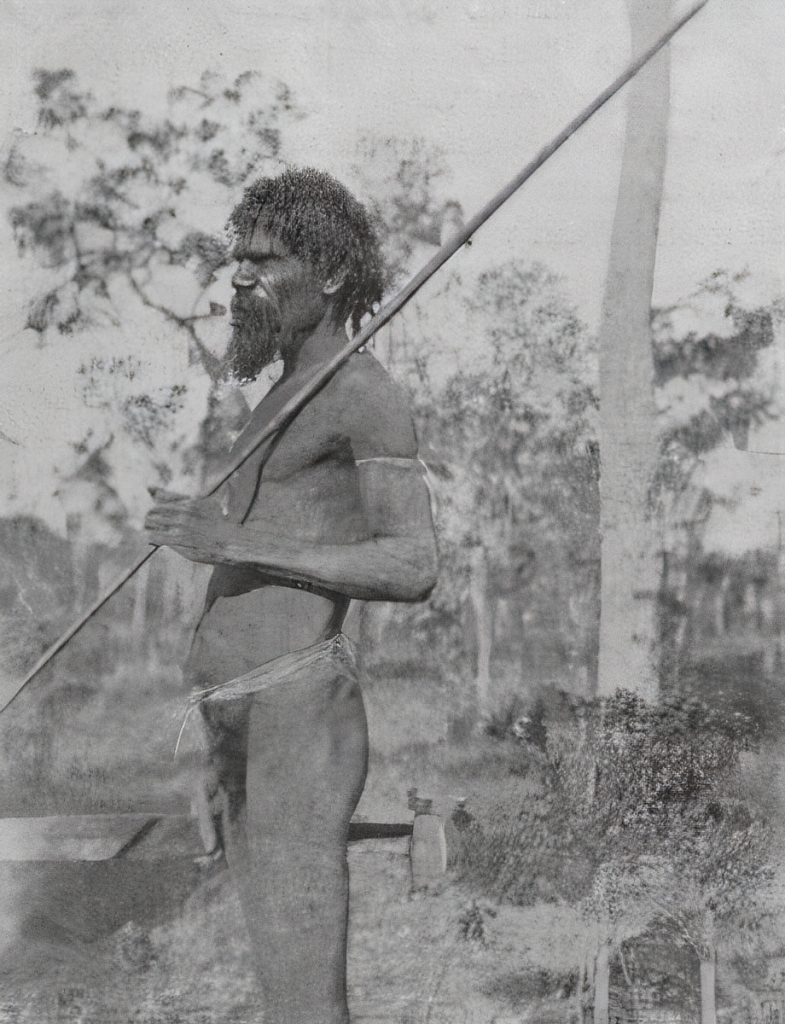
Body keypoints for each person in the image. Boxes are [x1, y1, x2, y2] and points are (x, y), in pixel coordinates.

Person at [145, 167, 439, 1024]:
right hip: (240, 715)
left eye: (264, 260)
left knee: (306, 995)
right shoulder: (281, 392)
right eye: (236, 259)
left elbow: (411, 565)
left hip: (298, 713)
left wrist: (229, 540)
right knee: (280, 986)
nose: (238, 276)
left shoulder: (366, 396)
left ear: (334, 275)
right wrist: (213, 744)